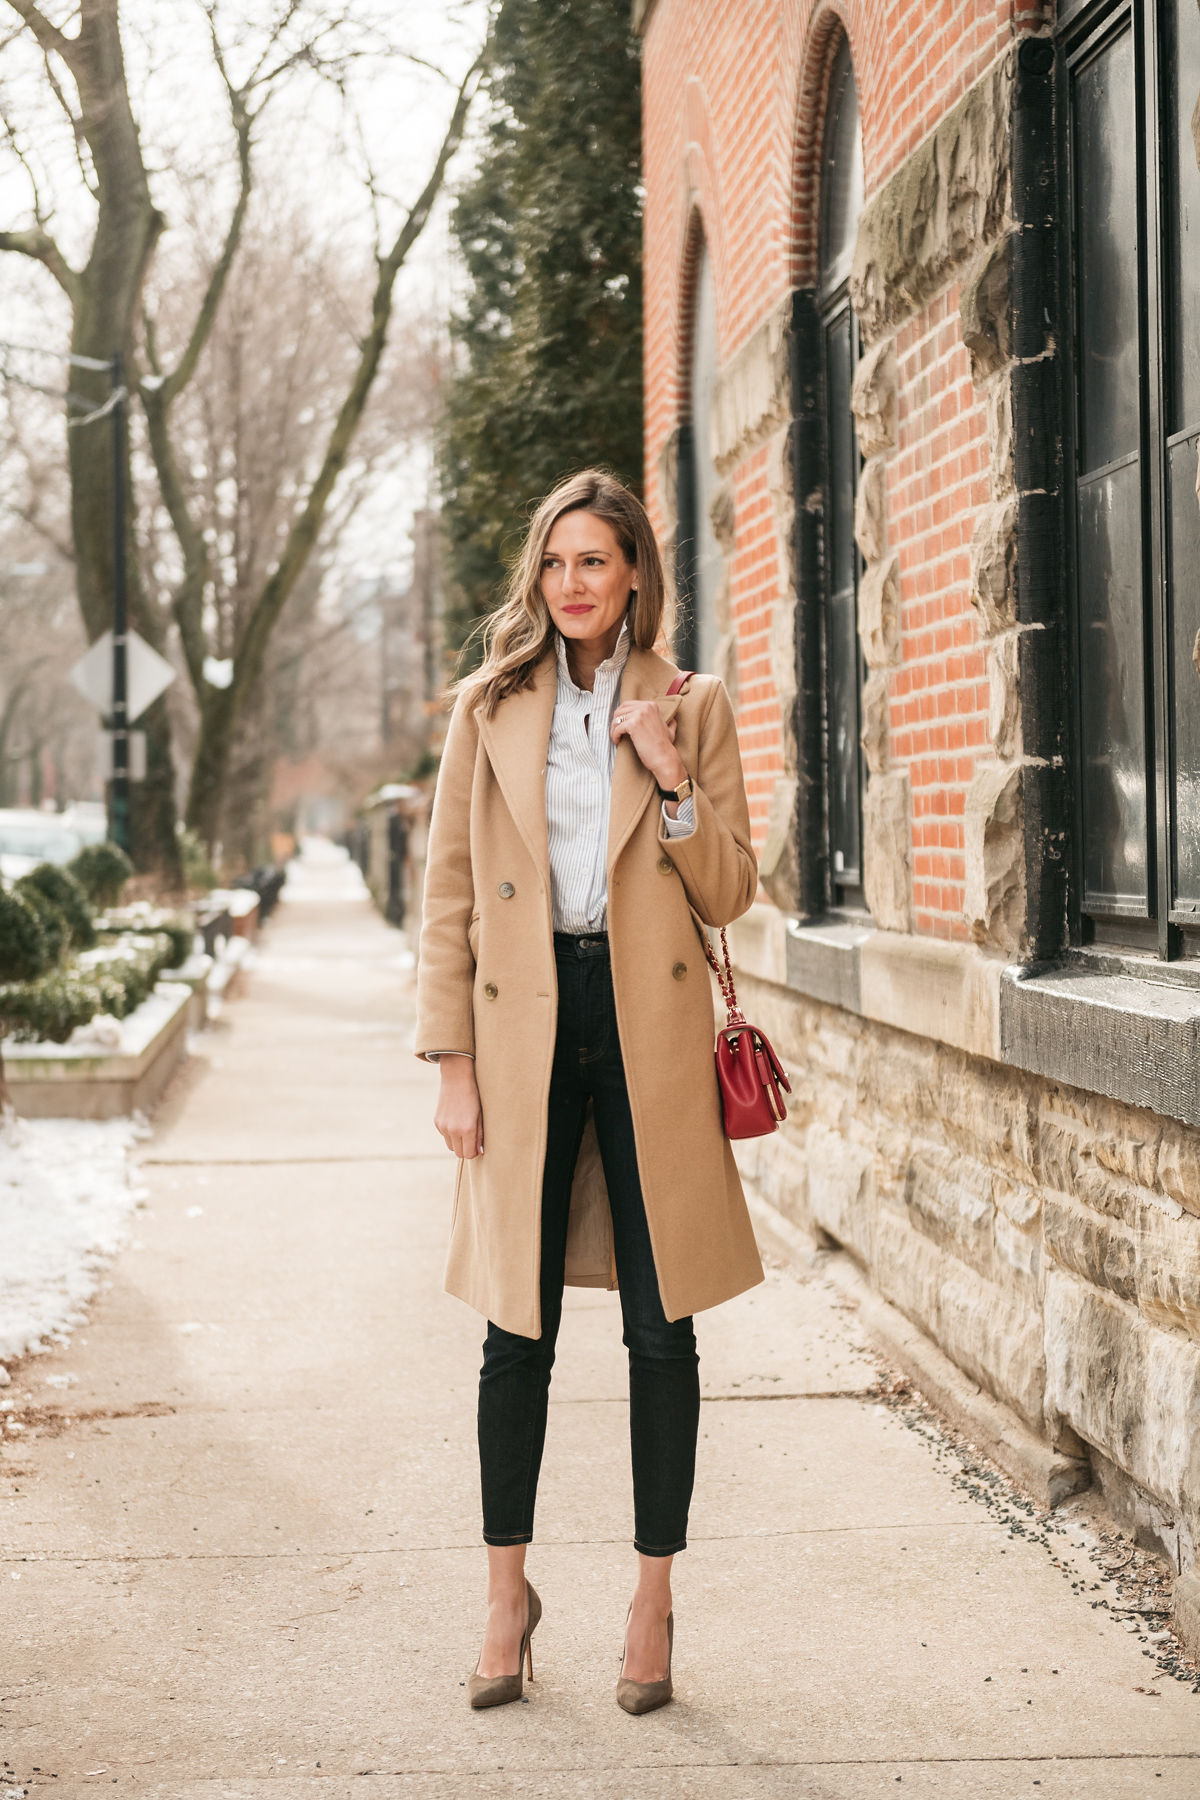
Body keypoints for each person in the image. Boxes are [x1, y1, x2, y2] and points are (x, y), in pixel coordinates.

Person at [415, 468, 763, 1714]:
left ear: (634, 578)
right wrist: (450, 1061)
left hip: (649, 1031)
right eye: (557, 562)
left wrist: (668, 772)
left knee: (660, 1329)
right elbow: (448, 896)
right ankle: (506, 1597)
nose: (573, 584)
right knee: (517, 1330)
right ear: (540, 574)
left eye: (597, 563)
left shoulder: (693, 702)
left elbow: (729, 890)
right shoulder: (487, 707)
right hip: (520, 1033)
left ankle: (651, 1599)